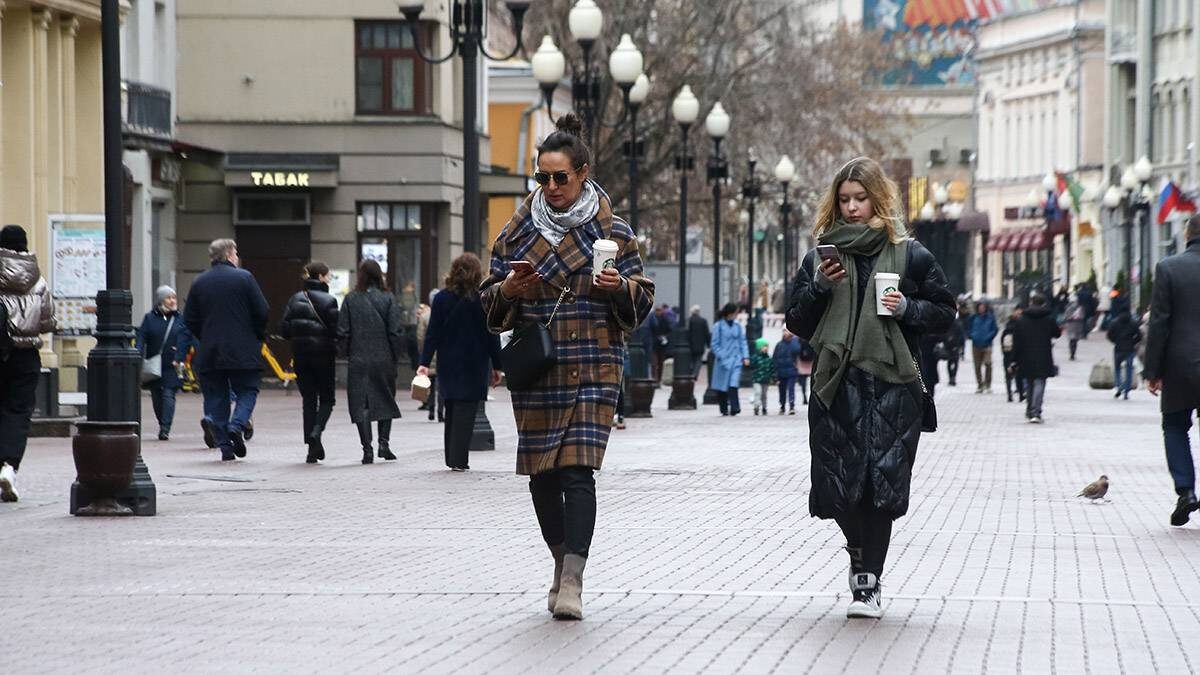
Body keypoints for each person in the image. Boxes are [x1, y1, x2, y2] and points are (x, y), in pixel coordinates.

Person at [479, 113, 654, 620]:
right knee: (541, 476)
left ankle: (573, 578)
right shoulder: (515, 234)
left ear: (582, 174)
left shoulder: (614, 232)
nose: (552, 187)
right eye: (543, 177)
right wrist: (509, 289)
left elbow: (642, 299)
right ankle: (560, 561)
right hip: (539, 367)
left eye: (561, 177)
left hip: (594, 365)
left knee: (577, 472)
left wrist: (619, 288)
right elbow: (489, 304)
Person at [785, 157, 955, 619]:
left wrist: (907, 309)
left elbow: (945, 312)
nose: (853, 207)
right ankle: (859, 556)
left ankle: (867, 583)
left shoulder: (911, 255)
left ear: (878, 199)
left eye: (861, 198)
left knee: (879, 490)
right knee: (838, 490)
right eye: (844, 200)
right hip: (836, 385)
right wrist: (820, 287)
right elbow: (796, 320)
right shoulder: (820, 257)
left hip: (892, 386)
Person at [184, 239, 268, 461]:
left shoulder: (199, 281)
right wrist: (257, 335)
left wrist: (205, 336)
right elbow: (262, 310)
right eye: (236, 253)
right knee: (248, 390)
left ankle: (225, 448)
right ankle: (237, 424)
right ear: (230, 254)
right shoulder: (244, 278)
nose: (237, 257)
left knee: (216, 397)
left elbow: (189, 318)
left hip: (210, 350)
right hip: (243, 349)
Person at [418, 253, 502, 472]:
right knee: (467, 411)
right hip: (475, 363)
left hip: (449, 362)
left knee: (452, 408)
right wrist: (498, 366)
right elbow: (492, 335)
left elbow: (432, 334)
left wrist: (424, 362)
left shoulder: (441, 299)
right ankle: (459, 460)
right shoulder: (482, 299)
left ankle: (452, 457)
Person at [1143, 214, 1200, 526]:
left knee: (1175, 427)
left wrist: (1152, 370)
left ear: (1187, 234)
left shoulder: (1169, 267)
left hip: (1179, 364)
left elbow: (1159, 322)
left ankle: (1186, 491)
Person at [0, 225, 55, 502]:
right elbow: (47, 322)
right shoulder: (38, 281)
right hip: (26, 356)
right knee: (18, 411)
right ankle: (9, 466)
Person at [337, 259, 404, 464]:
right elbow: (395, 331)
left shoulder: (350, 299)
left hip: (358, 358)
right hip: (383, 358)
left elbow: (342, 331)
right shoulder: (388, 298)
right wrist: (395, 355)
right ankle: (384, 444)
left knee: (361, 403)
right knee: (386, 398)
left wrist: (346, 353)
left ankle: (367, 449)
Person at [280, 261, 340, 464]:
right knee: (327, 399)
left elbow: (284, 330)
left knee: (308, 399)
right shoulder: (330, 300)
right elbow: (336, 331)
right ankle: (316, 432)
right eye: (328, 275)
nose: (329, 279)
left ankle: (311, 448)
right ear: (321, 276)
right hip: (324, 356)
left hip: (301, 356)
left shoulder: (295, 298)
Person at [136, 286, 194, 441]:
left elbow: (186, 337)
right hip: (154, 365)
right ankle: (162, 421)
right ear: (161, 300)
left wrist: (181, 352)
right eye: (169, 298)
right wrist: (137, 351)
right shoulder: (149, 318)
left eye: (174, 297)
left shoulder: (180, 318)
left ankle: (165, 428)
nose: (172, 301)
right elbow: (142, 336)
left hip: (173, 363)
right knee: (157, 397)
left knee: (169, 394)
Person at [1011, 293, 1060, 424]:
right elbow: (1057, 333)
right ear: (1044, 303)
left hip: (1026, 355)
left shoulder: (1022, 319)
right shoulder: (1048, 318)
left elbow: (1016, 340)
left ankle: (1029, 410)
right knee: (1040, 382)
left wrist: (1014, 358)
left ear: (1031, 302)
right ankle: (1036, 411)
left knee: (1030, 382)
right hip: (1043, 354)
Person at [710, 302, 749, 416]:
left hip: (736, 359)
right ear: (730, 313)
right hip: (723, 361)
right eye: (736, 312)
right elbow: (714, 344)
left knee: (733, 384)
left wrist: (745, 356)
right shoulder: (718, 326)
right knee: (722, 386)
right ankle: (723, 408)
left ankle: (735, 407)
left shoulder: (738, 326)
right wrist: (722, 355)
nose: (737, 315)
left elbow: (743, 342)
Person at [414, 297, 445, 422]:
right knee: (442, 385)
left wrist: (423, 352)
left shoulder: (424, 316)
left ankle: (431, 409)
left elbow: (420, 336)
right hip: (442, 353)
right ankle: (440, 412)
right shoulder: (445, 312)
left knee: (430, 384)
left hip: (430, 353)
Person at [1106, 306, 1141, 400]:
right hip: (1130, 349)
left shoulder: (1115, 322)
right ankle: (1126, 391)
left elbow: (1109, 335)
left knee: (1117, 368)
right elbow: (1139, 336)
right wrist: (1133, 342)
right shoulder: (1133, 323)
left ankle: (1119, 385)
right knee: (1129, 370)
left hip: (1118, 349)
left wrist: (1115, 341)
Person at [967, 301, 998, 393]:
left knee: (988, 364)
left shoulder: (990, 318)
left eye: (983, 307)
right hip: (976, 344)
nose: (981, 309)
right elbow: (968, 328)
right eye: (980, 307)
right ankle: (980, 384)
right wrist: (971, 336)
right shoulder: (973, 318)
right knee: (977, 365)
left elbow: (995, 329)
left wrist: (989, 337)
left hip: (987, 344)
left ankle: (988, 384)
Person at [772, 330, 804, 414]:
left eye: (787, 331)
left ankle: (791, 406)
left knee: (791, 389)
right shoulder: (779, 345)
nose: (785, 333)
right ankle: (782, 405)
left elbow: (798, 350)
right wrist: (775, 372)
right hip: (781, 371)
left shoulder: (794, 343)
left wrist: (794, 339)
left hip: (791, 370)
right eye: (784, 331)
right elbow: (774, 358)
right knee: (782, 390)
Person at [1001, 306, 1025, 403]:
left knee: (1018, 374)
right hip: (1010, 352)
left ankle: (1019, 394)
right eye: (1017, 313)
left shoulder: (1022, 323)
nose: (1019, 315)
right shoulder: (1013, 325)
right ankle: (1011, 394)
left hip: (1017, 352)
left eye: (1020, 313)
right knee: (1011, 374)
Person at [749, 337, 773, 416]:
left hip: (766, 379)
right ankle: (756, 407)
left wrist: (774, 378)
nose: (766, 348)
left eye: (767, 346)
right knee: (758, 392)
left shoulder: (768, 358)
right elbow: (751, 366)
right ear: (759, 348)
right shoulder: (755, 357)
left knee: (764, 394)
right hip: (757, 379)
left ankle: (764, 407)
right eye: (764, 346)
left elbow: (772, 368)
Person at [649, 304, 672, 383]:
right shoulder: (652, 319)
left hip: (662, 344)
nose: (658, 312)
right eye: (657, 310)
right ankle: (654, 379)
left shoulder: (664, 319)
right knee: (654, 363)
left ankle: (658, 379)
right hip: (655, 344)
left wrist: (665, 337)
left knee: (660, 363)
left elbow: (669, 330)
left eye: (659, 310)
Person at [687, 305, 710, 378]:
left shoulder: (689, 320)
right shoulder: (703, 321)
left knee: (691, 360)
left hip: (690, 344)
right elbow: (706, 333)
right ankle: (695, 374)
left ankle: (691, 372)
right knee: (698, 360)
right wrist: (708, 344)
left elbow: (687, 332)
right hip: (700, 344)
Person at [1062, 293, 1085, 360]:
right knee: (1074, 340)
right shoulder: (1080, 307)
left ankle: (1072, 354)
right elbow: (1082, 316)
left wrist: (1070, 318)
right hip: (1077, 325)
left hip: (1071, 326)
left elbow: (1065, 317)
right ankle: (1073, 354)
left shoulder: (1068, 308)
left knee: (1072, 340)